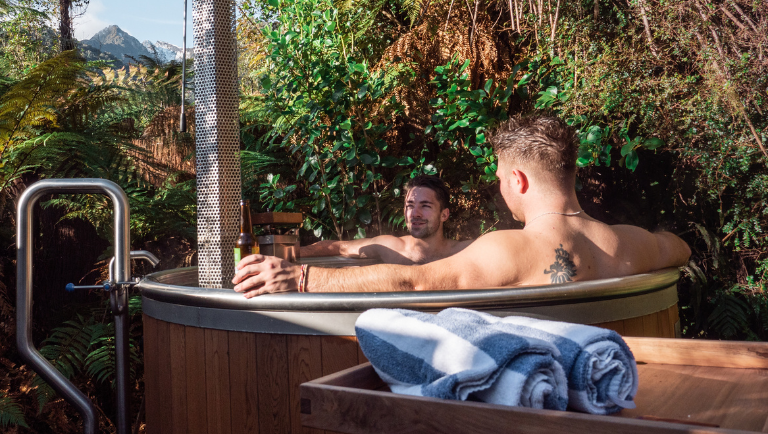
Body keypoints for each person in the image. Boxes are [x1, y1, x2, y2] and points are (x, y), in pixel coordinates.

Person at [233, 113, 691, 298]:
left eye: (498, 178)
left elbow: (413, 284)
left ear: (519, 179)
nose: (499, 186)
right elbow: (680, 248)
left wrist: (301, 276)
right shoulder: (630, 244)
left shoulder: (506, 250)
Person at [299, 175, 469, 264]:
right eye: (410, 205)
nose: (414, 213)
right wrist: (288, 254)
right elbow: (339, 247)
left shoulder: (462, 252)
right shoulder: (391, 248)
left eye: (425, 206)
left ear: (444, 214)